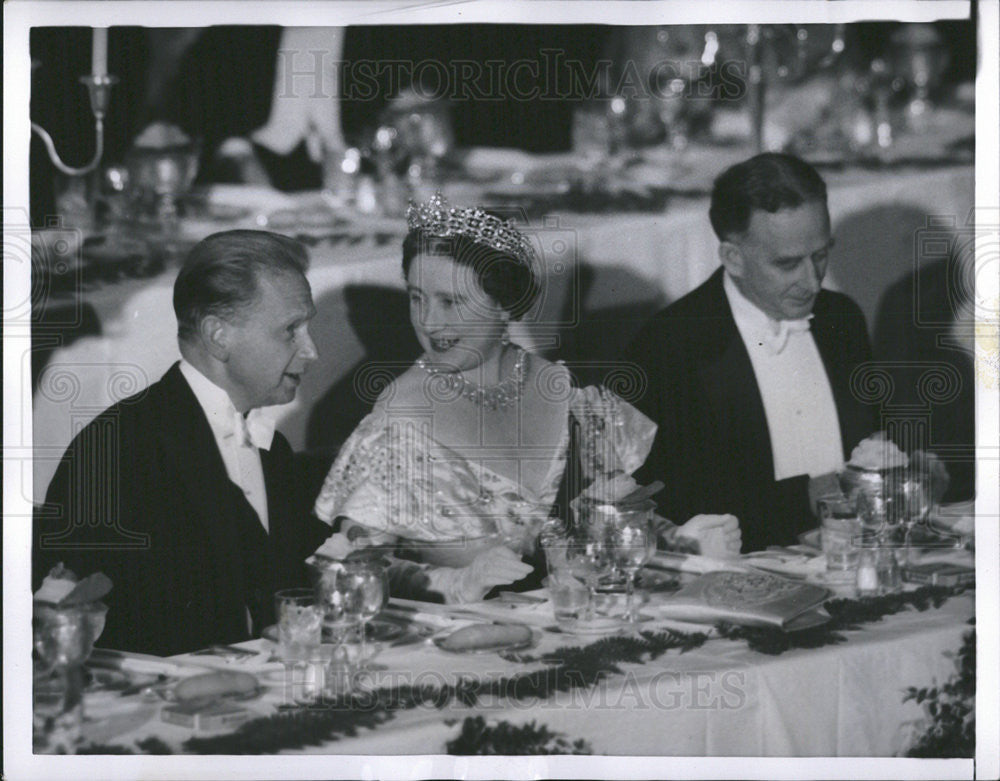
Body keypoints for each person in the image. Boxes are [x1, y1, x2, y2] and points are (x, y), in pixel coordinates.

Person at [312, 194, 740, 603]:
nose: (428, 321)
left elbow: (617, 518)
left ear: (505, 304)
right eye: (417, 298)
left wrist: (681, 541)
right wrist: (460, 582)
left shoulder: (567, 393)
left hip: (581, 625)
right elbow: (349, 569)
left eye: (451, 301)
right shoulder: (400, 417)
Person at [33, 230, 331, 656]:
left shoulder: (272, 449)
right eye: (291, 330)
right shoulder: (118, 453)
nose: (312, 350)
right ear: (217, 335)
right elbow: (95, 633)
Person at [626, 153, 879, 552]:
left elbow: (871, 446)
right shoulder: (671, 345)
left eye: (820, 255)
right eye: (787, 264)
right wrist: (811, 496)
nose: (812, 281)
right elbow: (671, 503)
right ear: (733, 258)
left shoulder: (841, 319)